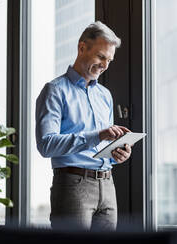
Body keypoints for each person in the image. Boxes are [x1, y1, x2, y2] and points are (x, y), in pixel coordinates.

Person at [35, 21, 132, 231]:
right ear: (82, 48)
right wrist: (97, 135)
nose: (105, 65)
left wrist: (116, 154)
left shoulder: (105, 96)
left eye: (110, 60)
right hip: (73, 186)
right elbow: (46, 145)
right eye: (101, 56)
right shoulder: (54, 91)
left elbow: (100, 147)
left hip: (107, 185)